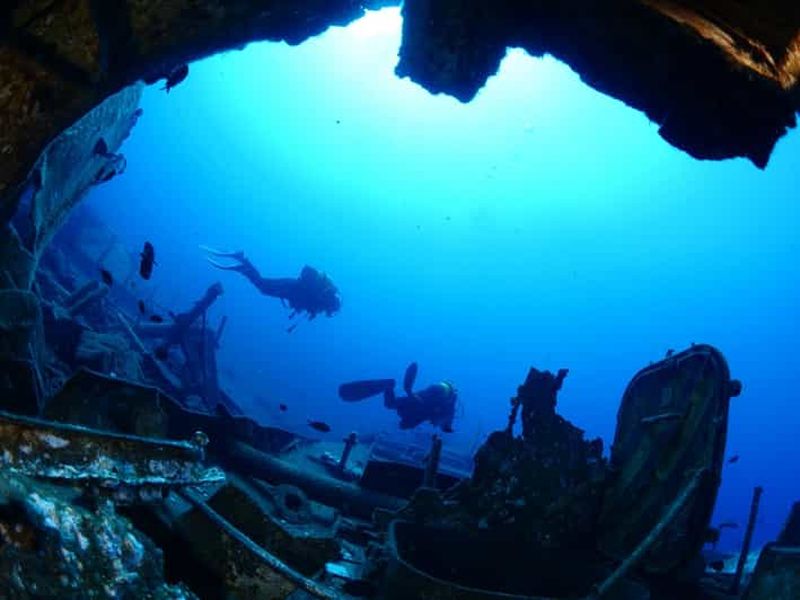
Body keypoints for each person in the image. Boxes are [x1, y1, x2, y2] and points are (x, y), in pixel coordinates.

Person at [201, 247, 341, 320]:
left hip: (291, 288)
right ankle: (242, 262)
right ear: (331, 305)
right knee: (263, 285)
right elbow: (306, 298)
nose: (328, 313)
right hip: (291, 288)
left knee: (263, 285)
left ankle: (242, 263)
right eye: (330, 311)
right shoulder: (321, 298)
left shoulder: (321, 298)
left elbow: (304, 302)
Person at [338, 362, 457, 433]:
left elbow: (424, 399)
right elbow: (446, 418)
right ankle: (392, 387)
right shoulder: (446, 408)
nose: (433, 424)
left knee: (390, 404)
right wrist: (447, 428)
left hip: (419, 399)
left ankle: (389, 385)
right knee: (398, 411)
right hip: (421, 402)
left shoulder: (442, 407)